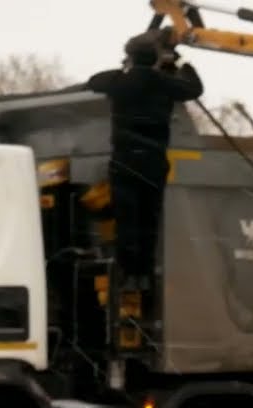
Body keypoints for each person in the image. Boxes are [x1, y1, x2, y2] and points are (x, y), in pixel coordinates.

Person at [87, 28, 204, 286]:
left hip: (124, 161)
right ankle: (145, 273)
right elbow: (195, 88)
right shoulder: (163, 83)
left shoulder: (119, 83)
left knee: (127, 221)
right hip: (152, 161)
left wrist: (124, 68)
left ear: (129, 57)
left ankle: (127, 273)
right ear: (154, 59)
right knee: (149, 221)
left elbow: (94, 80)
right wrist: (178, 62)